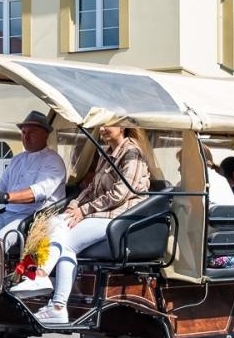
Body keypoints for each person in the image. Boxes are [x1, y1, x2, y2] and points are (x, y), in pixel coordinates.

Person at [32, 124, 151, 326]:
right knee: (56, 224)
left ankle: (42, 280)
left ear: (122, 127)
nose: (102, 129)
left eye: (107, 124)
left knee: (67, 242)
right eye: (101, 125)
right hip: (102, 213)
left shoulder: (132, 153)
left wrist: (84, 211)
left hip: (122, 217)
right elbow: (91, 188)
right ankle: (55, 302)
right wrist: (74, 205)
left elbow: (120, 194)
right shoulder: (106, 153)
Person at [0, 111, 67, 242]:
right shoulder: (17, 160)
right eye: (24, 133)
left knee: (0, 239)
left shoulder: (53, 160)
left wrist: (5, 197)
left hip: (32, 219)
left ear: (46, 134)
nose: (26, 137)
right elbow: (0, 189)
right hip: (7, 215)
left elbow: (37, 193)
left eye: (32, 133)